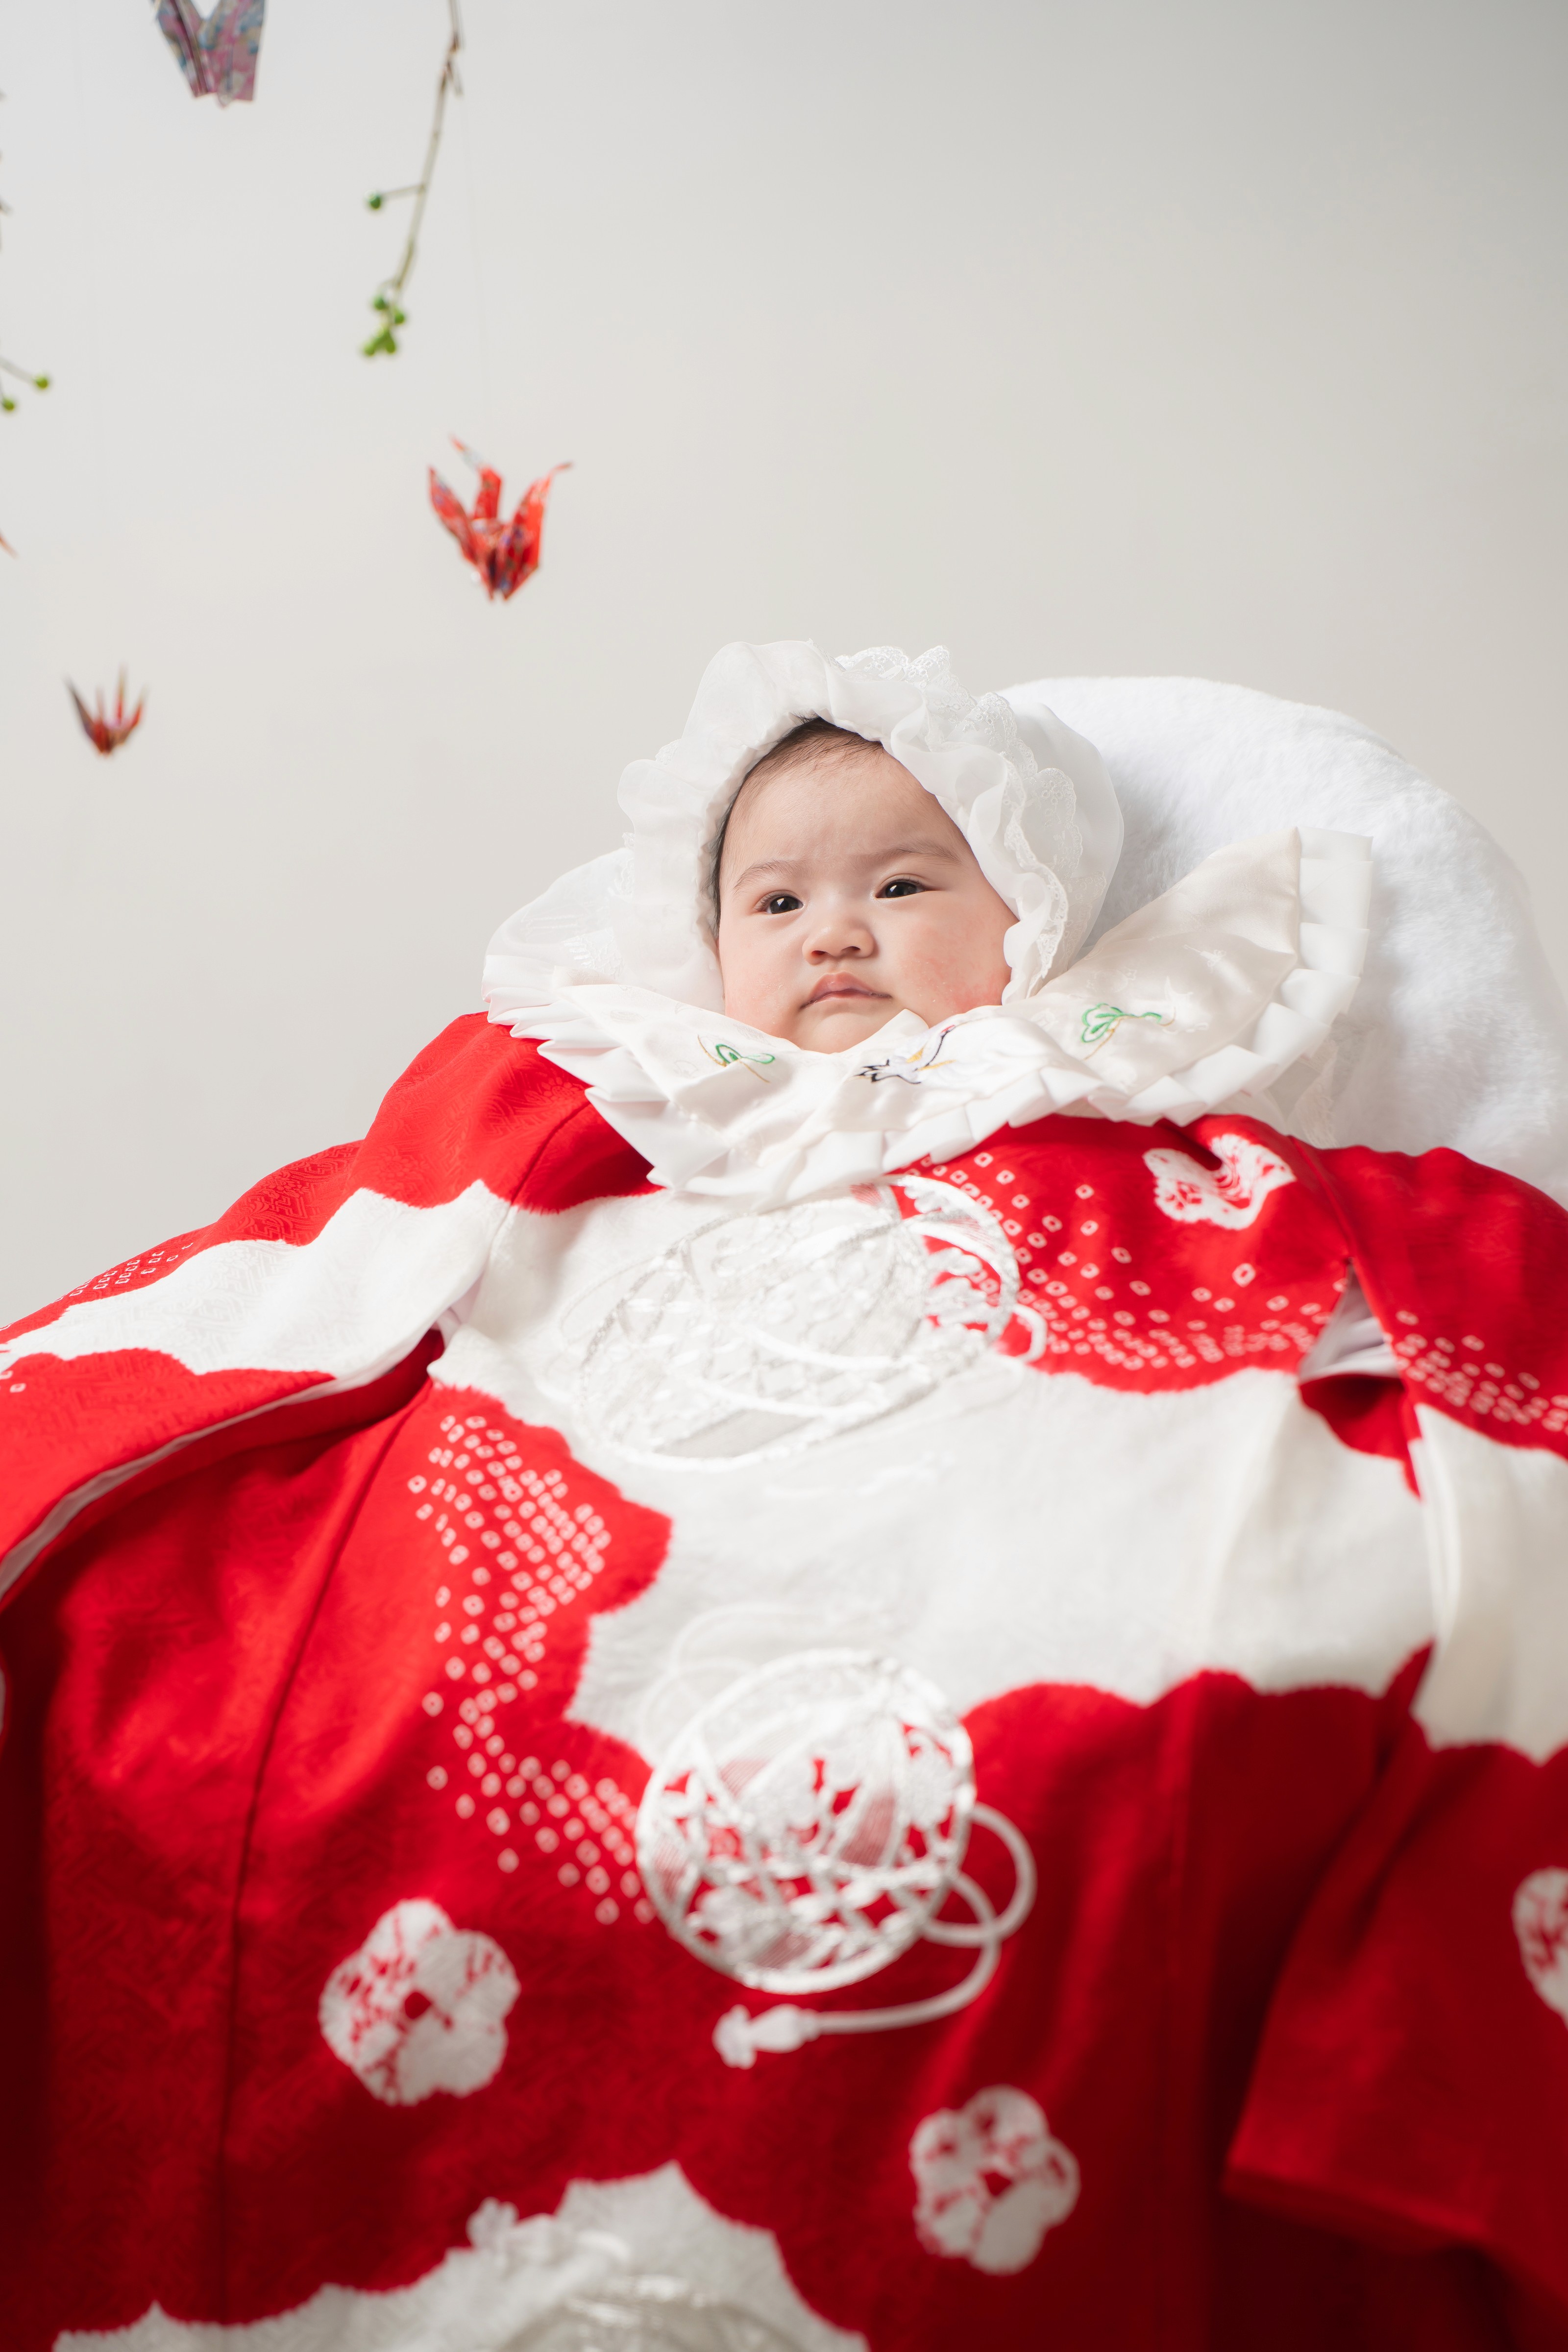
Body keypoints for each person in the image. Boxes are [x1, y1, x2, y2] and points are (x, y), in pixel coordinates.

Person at [2, 640, 1567, 2352]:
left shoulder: (1118, 1099)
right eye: (777, 901)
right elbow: (359, 1232)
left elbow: (1365, 1254)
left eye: (902, 885)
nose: (836, 931)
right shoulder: (632, 1098)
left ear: (1027, 921)